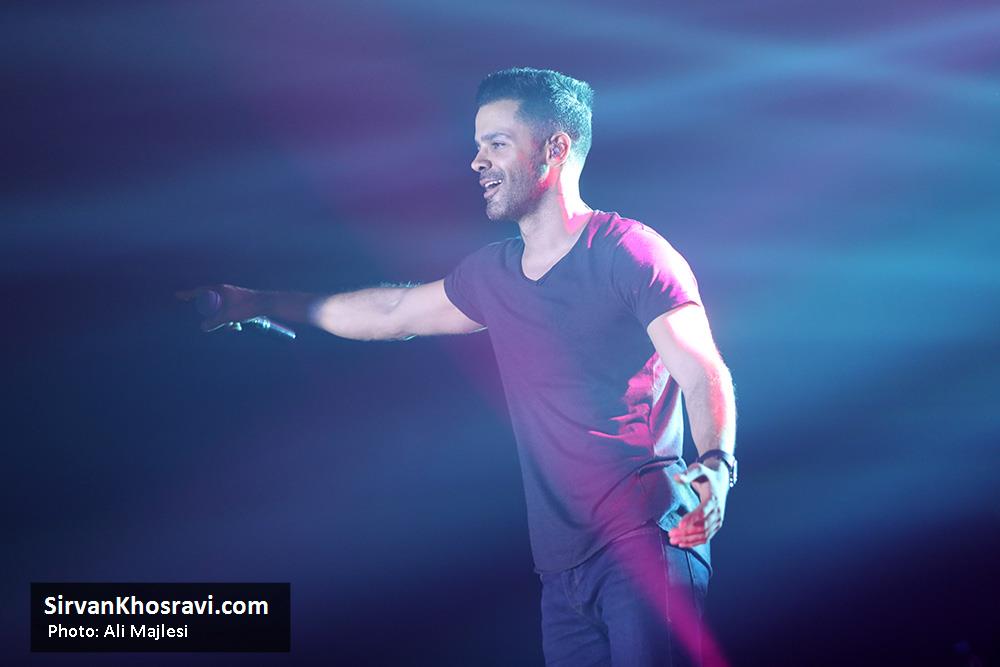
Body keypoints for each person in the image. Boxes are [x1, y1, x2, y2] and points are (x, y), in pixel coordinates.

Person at [178, 67, 737, 667]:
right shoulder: (492, 275)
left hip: (644, 539)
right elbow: (391, 311)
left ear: (555, 148)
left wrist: (715, 466)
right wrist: (263, 302)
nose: (477, 161)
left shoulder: (630, 253)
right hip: (561, 575)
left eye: (497, 143)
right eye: (477, 145)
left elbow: (702, 369)